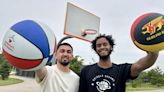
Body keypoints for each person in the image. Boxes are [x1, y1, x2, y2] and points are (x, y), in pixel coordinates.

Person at [79, 34, 159, 92]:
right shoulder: (86, 70)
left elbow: (141, 65)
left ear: (111, 47)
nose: (102, 47)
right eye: (99, 45)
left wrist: (154, 49)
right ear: (96, 49)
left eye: (105, 44)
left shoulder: (121, 70)